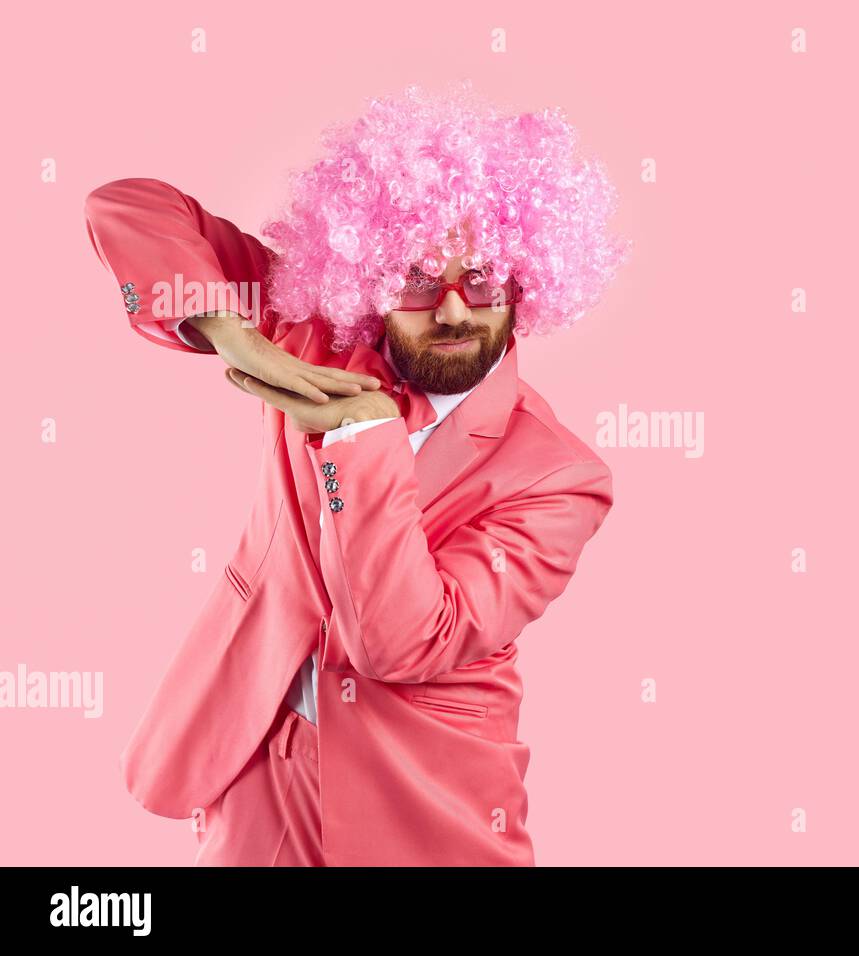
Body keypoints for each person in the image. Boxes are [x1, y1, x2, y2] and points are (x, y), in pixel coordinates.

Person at [83, 82, 630, 866]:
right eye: (415, 278)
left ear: (524, 284)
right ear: (368, 277)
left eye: (480, 282)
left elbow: (402, 644)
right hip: (257, 759)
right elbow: (127, 206)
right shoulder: (308, 336)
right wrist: (233, 334)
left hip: (421, 801)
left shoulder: (560, 477)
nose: (452, 311)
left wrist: (361, 433)